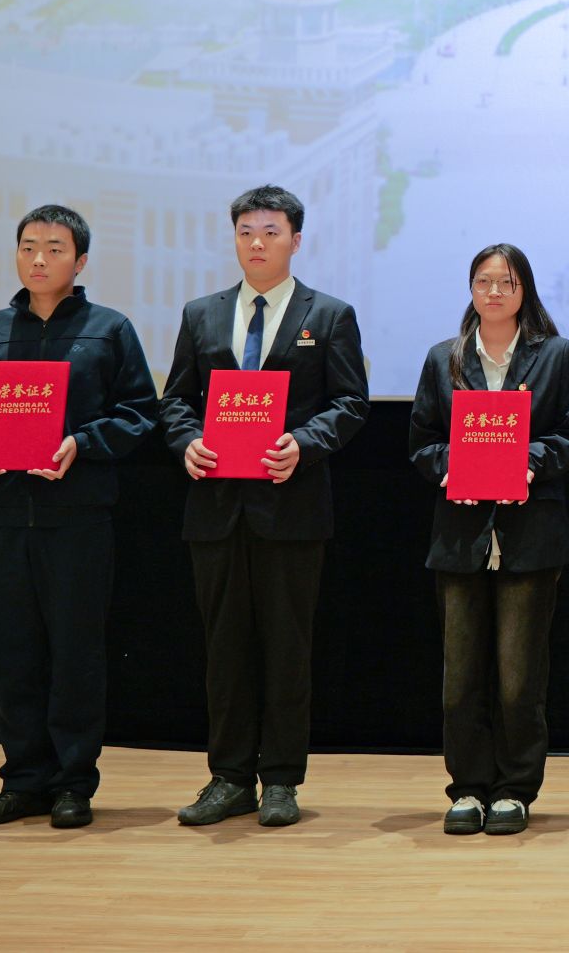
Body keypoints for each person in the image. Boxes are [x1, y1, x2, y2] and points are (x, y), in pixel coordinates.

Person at [160, 185, 370, 828]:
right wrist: (187, 442)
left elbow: (350, 403)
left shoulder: (328, 315)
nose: (257, 243)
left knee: (286, 647)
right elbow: (176, 400)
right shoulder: (202, 313)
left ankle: (280, 779)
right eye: (246, 232)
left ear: (295, 240)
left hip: (291, 508)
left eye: (271, 232)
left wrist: (303, 444)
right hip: (217, 508)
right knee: (224, 649)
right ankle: (228, 778)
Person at [0, 204, 158, 829]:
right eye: (28, 247)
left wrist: (80, 444)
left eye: (55, 248)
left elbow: (139, 412)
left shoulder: (109, 329)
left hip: (77, 517)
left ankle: (72, 783)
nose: (39, 259)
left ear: (80, 260)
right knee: (12, 651)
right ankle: (23, 781)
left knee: (75, 651)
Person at [408, 244, 569, 836]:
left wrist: (529, 462)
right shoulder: (444, 357)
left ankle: (514, 789)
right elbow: (423, 441)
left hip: (529, 535)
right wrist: (451, 469)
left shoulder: (554, 354)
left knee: (518, 680)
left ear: (523, 291)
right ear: (471, 289)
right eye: (483, 281)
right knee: (460, 680)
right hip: (461, 535)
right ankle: (466, 787)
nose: (493, 291)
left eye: (506, 282)